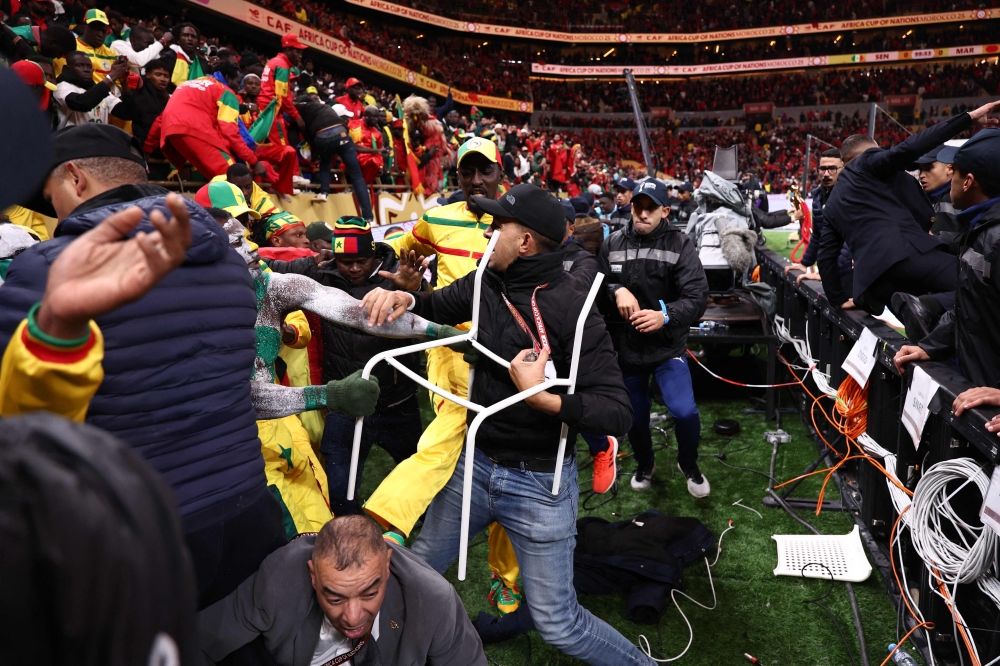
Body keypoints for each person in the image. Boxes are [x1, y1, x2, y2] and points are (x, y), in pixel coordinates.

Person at [362, 183, 646, 666]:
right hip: (474, 466)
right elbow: (437, 306)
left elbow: (618, 409)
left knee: (560, 623)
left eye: (498, 227)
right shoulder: (485, 281)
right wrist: (408, 299)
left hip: (540, 484)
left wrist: (546, 401)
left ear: (526, 242)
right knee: (412, 574)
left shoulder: (574, 305)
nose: (488, 235)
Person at [0, 124, 278, 610]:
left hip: (131, 533)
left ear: (75, 178)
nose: (53, 218)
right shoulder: (231, 261)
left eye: (52, 200)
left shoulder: (47, 268)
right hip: (244, 505)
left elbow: (19, 427)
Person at [366, 138, 527, 610]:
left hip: (507, 353)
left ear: (502, 174)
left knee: (499, 454)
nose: (476, 181)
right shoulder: (435, 218)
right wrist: (409, 280)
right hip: (451, 350)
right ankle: (390, 517)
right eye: (466, 173)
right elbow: (399, 252)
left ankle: (504, 573)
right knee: (464, 423)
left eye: (485, 172)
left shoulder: (519, 225)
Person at [270, 218, 425, 516]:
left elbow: (432, 314)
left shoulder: (397, 274)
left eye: (361, 261)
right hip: (345, 405)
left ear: (375, 255)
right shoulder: (319, 272)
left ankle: (419, 519)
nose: (354, 269)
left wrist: (415, 292)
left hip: (398, 404)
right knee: (339, 490)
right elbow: (266, 268)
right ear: (333, 256)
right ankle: (348, 537)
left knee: (420, 478)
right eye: (345, 262)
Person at [198, 515, 487, 666]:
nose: (351, 617)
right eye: (334, 598)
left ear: (387, 566)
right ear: (313, 575)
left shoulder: (433, 601)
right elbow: (197, 644)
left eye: (369, 594)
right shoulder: (279, 580)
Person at [819, 100, 1000, 314]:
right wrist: (967, 119)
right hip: (907, 255)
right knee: (979, 284)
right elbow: (911, 146)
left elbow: (825, 256)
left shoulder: (831, 204)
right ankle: (928, 307)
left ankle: (929, 319)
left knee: (927, 325)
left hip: (875, 284)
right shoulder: (868, 161)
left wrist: (837, 298)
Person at [598, 179, 709, 494]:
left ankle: (688, 464)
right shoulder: (613, 243)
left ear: (666, 210)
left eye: (651, 208)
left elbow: (698, 297)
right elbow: (595, 285)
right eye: (638, 206)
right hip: (626, 349)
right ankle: (645, 464)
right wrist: (615, 289)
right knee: (633, 416)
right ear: (631, 206)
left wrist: (665, 316)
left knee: (684, 411)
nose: (642, 214)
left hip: (666, 347)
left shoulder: (681, 245)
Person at [895, 129, 1000, 392]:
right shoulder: (980, 229)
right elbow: (969, 306)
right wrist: (928, 347)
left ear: (968, 181)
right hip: (977, 384)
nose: (950, 177)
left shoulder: (994, 237)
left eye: (955, 172)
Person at [145, 62, 263, 181]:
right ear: (227, 78)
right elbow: (230, 132)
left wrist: (146, 150)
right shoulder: (225, 91)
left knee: (217, 180)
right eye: (237, 82)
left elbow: (161, 119)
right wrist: (254, 162)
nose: (238, 87)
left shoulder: (187, 84)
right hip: (196, 130)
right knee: (235, 177)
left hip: (172, 134)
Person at [295, 93, 373, 217]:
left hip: (322, 137)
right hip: (341, 133)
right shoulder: (325, 107)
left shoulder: (299, 109)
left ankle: (324, 193)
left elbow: (308, 135)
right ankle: (368, 217)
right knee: (358, 178)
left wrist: (316, 149)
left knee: (325, 162)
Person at [786, 149, 849, 287]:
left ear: (843, 168)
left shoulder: (850, 196)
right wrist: (804, 264)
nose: (826, 174)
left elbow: (850, 242)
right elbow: (818, 235)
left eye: (832, 169)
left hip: (851, 277)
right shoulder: (819, 197)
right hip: (832, 274)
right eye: (823, 169)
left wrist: (827, 273)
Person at [257, 32, 308, 166]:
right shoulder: (282, 65)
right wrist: (297, 116)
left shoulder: (274, 61)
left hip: (266, 108)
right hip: (271, 110)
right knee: (283, 148)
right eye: (297, 52)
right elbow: (282, 97)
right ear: (288, 50)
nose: (300, 56)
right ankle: (289, 178)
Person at [53, 51, 136, 129]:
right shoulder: (62, 87)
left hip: (98, 142)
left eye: (89, 66)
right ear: (69, 68)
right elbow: (82, 103)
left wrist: (124, 83)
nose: (86, 69)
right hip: (72, 142)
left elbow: (128, 113)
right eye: (80, 65)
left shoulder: (99, 90)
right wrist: (111, 77)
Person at [916, 142, 964, 241]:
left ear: (949, 168)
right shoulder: (923, 198)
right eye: (920, 169)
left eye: (928, 168)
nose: (921, 175)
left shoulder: (963, 198)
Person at [350, 104, 390, 212]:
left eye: (377, 117)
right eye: (374, 116)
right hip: (352, 156)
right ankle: (360, 188)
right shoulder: (353, 124)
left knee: (374, 162)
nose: (376, 119)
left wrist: (381, 166)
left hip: (369, 161)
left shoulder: (377, 133)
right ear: (366, 115)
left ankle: (361, 188)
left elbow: (380, 151)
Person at [211, 162, 277, 220]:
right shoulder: (214, 187)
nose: (245, 193)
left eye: (248, 187)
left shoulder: (261, 201)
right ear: (228, 183)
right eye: (238, 188)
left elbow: (276, 219)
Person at [130, 56, 170, 149]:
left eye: (166, 76)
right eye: (158, 74)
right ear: (148, 75)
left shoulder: (167, 97)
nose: (163, 79)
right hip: (140, 148)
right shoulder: (138, 93)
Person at [71, 9, 118, 84]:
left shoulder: (112, 55)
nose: (100, 34)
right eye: (96, 29)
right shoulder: (72, 47)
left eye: (103, 31)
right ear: (84, 26)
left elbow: (119, 85)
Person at [163, 22, 209, 86]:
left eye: (193, 36)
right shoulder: (168, 58)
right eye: (185, 35)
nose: (190, 39)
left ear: (198, 42)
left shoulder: (203, 63)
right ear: (178, 40)